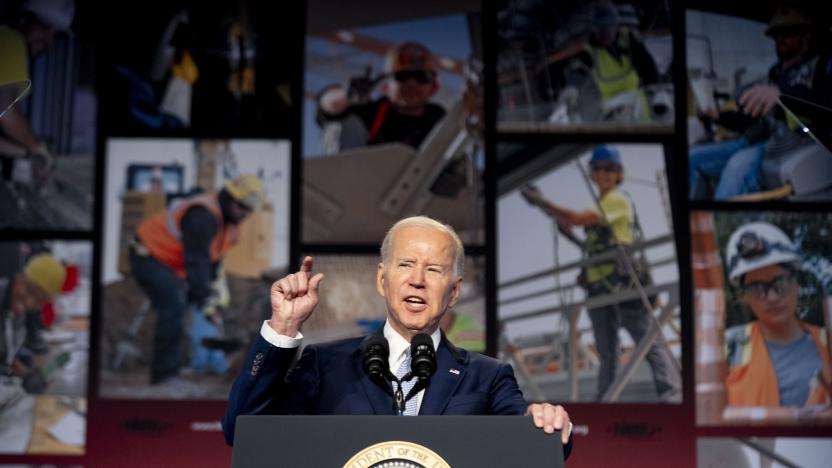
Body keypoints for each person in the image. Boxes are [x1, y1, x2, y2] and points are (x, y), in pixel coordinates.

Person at [222, 216, 573, 458]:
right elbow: (243, 432)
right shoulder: (325, 365)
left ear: (453, 292)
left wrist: (545, 424)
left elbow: (540, 447)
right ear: (381, 279)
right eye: (405, 264)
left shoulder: (489, 378)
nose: (417, 280)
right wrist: (282, 328)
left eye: (434, 269)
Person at [520, 145, 681, 402]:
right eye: (598, 168)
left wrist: (544, 202)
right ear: (592, 174)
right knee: (608, 349)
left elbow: (577, 218)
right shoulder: (603, 204)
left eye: (609, 168)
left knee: (646, 339)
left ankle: (671, 394)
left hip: (622, 285)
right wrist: (548, 210)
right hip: (599, 286)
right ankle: (605, 398)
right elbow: (581, 233)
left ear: (618, 174)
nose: (603, 173)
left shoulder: (616, 200)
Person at [129, 174, 264, 388]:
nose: (244, 213)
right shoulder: (202, 215)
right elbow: (196, 260)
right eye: (241, 206)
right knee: (174, 304)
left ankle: (196, 364)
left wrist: (209, 298)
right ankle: (164, 377)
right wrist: (206, 297)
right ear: (228, 197)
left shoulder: (228, 224)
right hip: (148, 254)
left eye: (249, 209)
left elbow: (211, 264)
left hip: (172, 262)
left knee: (190, 300)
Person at [688, 6, 832, 200]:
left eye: (787, 33)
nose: (780, 39)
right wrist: (719, 117)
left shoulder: (822, 66)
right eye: (776, 35)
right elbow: (751, 117)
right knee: (693, 156)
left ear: (806, 37)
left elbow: (823, 104)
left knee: (737, 167)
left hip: (788, 147)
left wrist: (783, 95)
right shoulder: (776, 72)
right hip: (754, 138)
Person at [723, 221, 831, 407]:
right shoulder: (727, 347)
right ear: (746, 297)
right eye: (757, 288)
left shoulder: (827, 342)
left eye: (779, 283)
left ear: (796, 284)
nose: (772, 297)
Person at [316, 41, 446, 152]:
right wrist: (348, 95)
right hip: (362, 177)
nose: (411, 83)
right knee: (343, 123)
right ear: (385, 87)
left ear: (434, 87)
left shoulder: (438, 117)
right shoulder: (370, 113)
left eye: (421, 77)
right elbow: (328, 106)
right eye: (401, 76)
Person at [0, 0, 75, 182]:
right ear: (24, 19)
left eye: (55, 35)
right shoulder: (11, 41)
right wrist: (37, 147)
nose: (49, 41)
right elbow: (6, 114)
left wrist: (26, 152)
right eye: (46, 27)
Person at [569, 1, 659, 122]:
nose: (605, 34)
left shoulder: (629, 40)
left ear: (616, 26)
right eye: (600, 30)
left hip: (636, 102)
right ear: (594, 30)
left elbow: (648, 66)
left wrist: (655, 91)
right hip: (612, 109)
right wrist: (572, 89)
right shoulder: (589, 51)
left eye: (607, 28)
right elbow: (577, 71)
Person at [0, 252, 66, 394]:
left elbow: (4, 356)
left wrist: (27, 374)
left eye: (40, 300)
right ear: (19, 277)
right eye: (29, 290)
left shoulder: (21, 314)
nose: (30, 302)